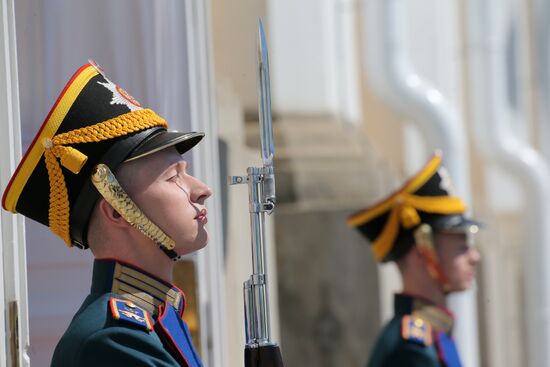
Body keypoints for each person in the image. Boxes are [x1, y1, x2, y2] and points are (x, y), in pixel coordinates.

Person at [2, 61, 212, 366]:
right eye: (173, 177)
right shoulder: (112, 341)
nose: (202, 189)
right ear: (116, 212)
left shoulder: (156, 318)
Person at [347, 152, 481, 367]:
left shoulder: (432, 336)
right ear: (422, 252)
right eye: (461, 246)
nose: (475, 257)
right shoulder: (411, 350)